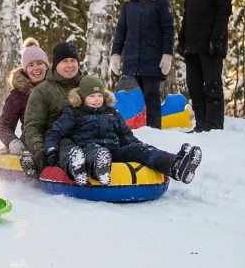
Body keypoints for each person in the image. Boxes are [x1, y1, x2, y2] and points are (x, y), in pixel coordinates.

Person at [44, 75, 203, 186]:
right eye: (92, 96)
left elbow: (126, 135)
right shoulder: (73, 113)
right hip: (88, 148)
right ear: (82, 97)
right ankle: (99, 170)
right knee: (96, 151)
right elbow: (55, 132)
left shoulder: (111, 113)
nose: (97, 99)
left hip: (113, 150)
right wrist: (51, 150)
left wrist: (139, 149)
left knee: (139, 148)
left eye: (99, 95)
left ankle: (176, 166)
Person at [110, 0, 175, 129]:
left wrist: (167, 55)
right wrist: (115, 54)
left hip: (152, 59)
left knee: (150, 95)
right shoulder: (128, 3)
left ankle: (154, 131)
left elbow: (168, 30)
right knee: (131, 98)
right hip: (131, 61)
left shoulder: (160, 2)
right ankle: (133, 132)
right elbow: (121, 30)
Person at [178, 0, 232, 132]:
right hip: (192, 43)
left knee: (212, 84)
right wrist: (182, 38)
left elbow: (223, 9)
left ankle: (214, 125)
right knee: (193, 85)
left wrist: (216, 39)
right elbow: (187, 12)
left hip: (210, 42)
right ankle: (201, 123)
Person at [22, 41, 84, 177]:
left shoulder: (88, 85)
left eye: (73, 60)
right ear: (56, 65)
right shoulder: (42, 91)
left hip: (88, 140)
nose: (69, 65)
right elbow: (33, 126)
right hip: (58, 145)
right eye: (64, 61)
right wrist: (39, 151)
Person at [0, 38, 48, 153]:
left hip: (57, 141)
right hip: (31, 144)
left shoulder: (56, 87)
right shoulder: (18, 95)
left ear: (46, 66)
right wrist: (12, 141)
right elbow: (4, 126)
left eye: (40, 63)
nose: (36, 68)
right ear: (25, 69)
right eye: (30, 65)